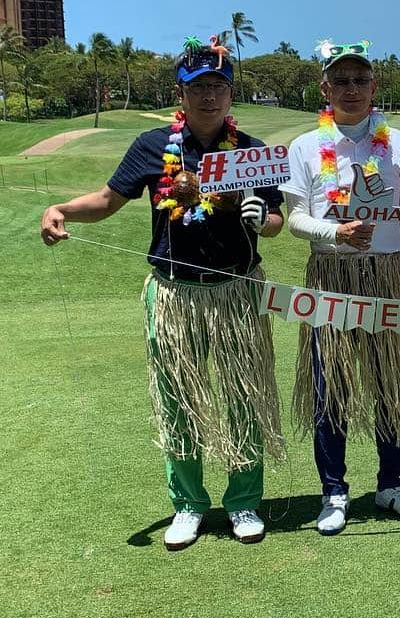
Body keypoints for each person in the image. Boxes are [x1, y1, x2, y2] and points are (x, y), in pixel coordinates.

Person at [40, 40, 285, 550]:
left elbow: (277, 220)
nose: (210, 96)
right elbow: (107, 201)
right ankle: (189, 505)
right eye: (199, 87)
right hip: (174, 294)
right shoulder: (154, 146)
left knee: (244, 396)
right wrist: (61, 207)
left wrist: (266, 221)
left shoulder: (252, 152)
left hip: (236, 291)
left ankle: (243, 502)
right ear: (182, 92)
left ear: (230, 91)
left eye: (218, 86)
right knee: (178, 401)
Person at [281, 39, 400, 535]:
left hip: (388, 273)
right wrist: (335, 233)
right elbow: (296, 219)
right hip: (332, 275)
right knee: (332, 385)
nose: (351, 89)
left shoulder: (399, 144)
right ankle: (335, 491)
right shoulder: (305, 147)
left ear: (374, 86)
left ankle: (392, 484)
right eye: (340, 80)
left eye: (360, 79)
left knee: (393, 382)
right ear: (324, 88)